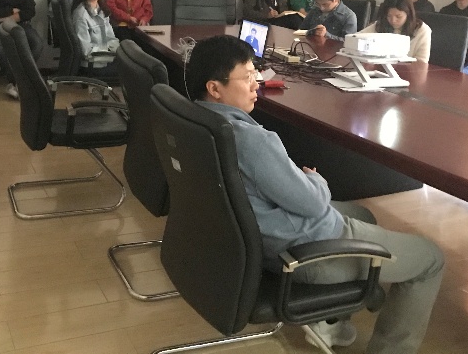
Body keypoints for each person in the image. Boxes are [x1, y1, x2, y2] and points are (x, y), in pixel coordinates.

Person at [186, 35, 444, 354]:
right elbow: (312, 204)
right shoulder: (251, 140)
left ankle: (332, 321)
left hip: (259, 241)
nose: (257, 83)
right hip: (301, 254)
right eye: (248, 76)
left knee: (363, 214)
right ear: (215, 89)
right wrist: (317, 180)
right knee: (431, 259)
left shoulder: (198, 122)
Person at [359, 0, 432, 62]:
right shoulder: (380, 25)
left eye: (398, 16)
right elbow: (357, 37)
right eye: (389, 16)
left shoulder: (422, 31)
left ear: (408, 14)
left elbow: (422, 63)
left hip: (409, 69)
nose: (393, 20)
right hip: (381, 68)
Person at [71, 0, 119, 77]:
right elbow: (86, 51)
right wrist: (111, 54)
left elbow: (111, 38)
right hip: (93, 64)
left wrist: (119, 52)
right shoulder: (81, 15)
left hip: (107, 59)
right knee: (136, 72)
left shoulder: (102, 10)